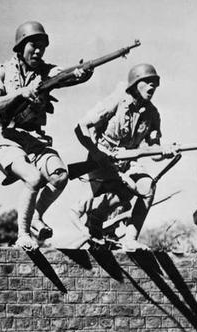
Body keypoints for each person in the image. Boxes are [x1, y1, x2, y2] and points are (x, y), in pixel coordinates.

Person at [0, 21, 92, 251]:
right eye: (33, 45)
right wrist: (20, 93)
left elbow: (65, 75)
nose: (38, 51)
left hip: (34, 139)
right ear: (21, 46)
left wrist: (83, 74)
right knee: (33, 178)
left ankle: (35, 216)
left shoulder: (46, 71)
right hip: (7, 138)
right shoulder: (1, 70)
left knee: (60, 176)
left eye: (42, 47)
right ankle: (23, 235)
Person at [74, 63, 173, 251]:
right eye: (147, 81)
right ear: (135, 83)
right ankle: (96, 217)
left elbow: (153, 149)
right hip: (103, 159)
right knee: (126, 190)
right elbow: (82, 126)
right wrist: (96, 153)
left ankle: (130, 238)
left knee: (148, 187)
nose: (152, 86)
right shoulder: (117, 100)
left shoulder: (152, 114)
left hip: (128, 161)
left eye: (155, 82)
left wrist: (164, 151)